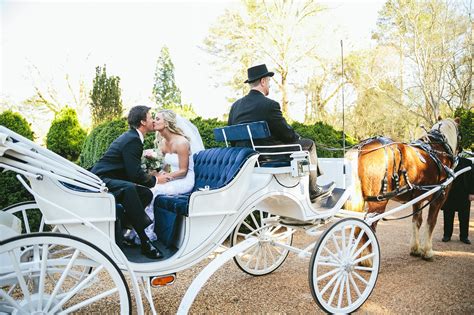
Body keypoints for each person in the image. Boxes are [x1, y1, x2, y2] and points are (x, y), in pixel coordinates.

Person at [228, 64, 334, 202]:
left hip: (244, 157)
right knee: (309, 144)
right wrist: (297, 137)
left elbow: (231, 137)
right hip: (266, 156)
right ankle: (313, 190)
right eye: (269, 81)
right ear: (263, 81)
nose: (269, 85)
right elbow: (286, 135)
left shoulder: (236, 106)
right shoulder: (269, 105)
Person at [91, 105, 167, 259]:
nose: (153, 120)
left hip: (110, 178)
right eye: (150, 116)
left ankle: (123, 230)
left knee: (145, 194)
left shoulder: (133, 137)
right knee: (130, 189)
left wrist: (149, 177)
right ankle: (145, 241)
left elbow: (131, 171)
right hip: (101, 179)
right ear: (143, 122)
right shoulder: (133, 140)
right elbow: (134, 175)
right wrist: (156, 179)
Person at [128, 109, 204, 243]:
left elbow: (183, 171)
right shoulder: (163, 143)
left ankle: (147, 234)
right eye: (154, 118)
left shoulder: (181, 143)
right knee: (141, 188)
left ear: (167, 123)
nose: (153, 121)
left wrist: (165, 177)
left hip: (184, 181)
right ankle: (136, 230)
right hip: (172, 178)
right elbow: (162, 166)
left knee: (152, 190)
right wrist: (155, 173)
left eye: (157, 119)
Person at [441, 157, 474, 244]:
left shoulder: (467, 162)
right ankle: (447, 235)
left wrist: (472, 192)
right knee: (448, 215)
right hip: (449, 193)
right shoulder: (444, 161)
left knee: (464, 216)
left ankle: (464, 237)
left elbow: (472, 178)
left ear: (458, 150)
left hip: (464, 193)